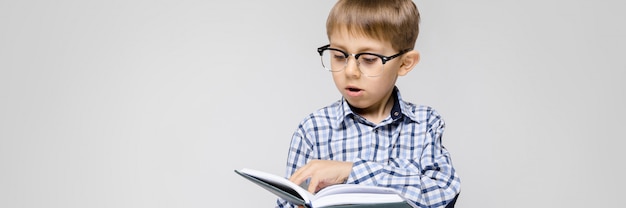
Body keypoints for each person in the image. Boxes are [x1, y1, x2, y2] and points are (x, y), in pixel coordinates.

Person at [277, 0, 461, 207]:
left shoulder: (425, 123)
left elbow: (443, 193)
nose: (350, 71)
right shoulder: (313, 129)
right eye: (339, 56)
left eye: (369, 59)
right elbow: (288, 201)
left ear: (404, 63)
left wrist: (350, 171)